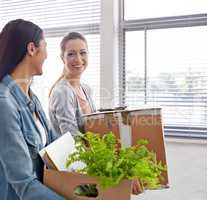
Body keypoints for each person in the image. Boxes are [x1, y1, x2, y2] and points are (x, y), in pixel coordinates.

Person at [0, 19, 64, 200]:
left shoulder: (31, 96)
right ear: (31, 49)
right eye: (45, 46)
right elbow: (23, 183)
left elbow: (54, 144)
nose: (47, 54)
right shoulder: (4, 103)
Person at [49, 32, 96, 138]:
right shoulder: (62, 92)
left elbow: (95, 128)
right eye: (71, 54)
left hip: (90, 153)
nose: (78, 59)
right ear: (62, 58)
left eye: (83, 53)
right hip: (71, 154)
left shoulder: (86, 89)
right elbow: (72, 138)